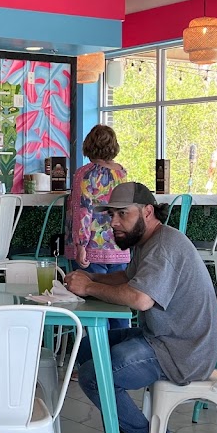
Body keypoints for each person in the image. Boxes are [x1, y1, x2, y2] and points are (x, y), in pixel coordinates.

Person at [64, 181, 217, 433]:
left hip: (182, 351)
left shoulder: (165, 246)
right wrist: (91, 276)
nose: (114, 223)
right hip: (165, 337)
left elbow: (140, 298)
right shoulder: (148, 241)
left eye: (123, 214)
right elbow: (129, 277)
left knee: (95, 375)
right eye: (112, 215)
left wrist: (90, 287)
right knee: (87, 348)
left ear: (148, 212)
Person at [64, 126, 130, 320]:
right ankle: (119, 338)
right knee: (119, 302)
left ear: (88, 145)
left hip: (92, 247)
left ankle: (97, 339)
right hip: (119, 246)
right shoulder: (122, 173)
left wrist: (80, 246)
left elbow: (82, 211)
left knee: (93, 307)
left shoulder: (85, 174)